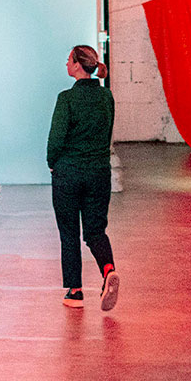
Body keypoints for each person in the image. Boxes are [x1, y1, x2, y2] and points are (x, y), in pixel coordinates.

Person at [47, 45, 119, 311]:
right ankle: (108, 269)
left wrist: (52, 164)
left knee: (69, 233)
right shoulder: (106, 97)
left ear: (78, 65)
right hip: (99, 172)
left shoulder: (66, 98)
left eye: (69, 59)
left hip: (68, 173)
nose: (66, 63)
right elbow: (107, 133)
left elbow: (56, 139)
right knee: (95, 231)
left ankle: (75, 292)